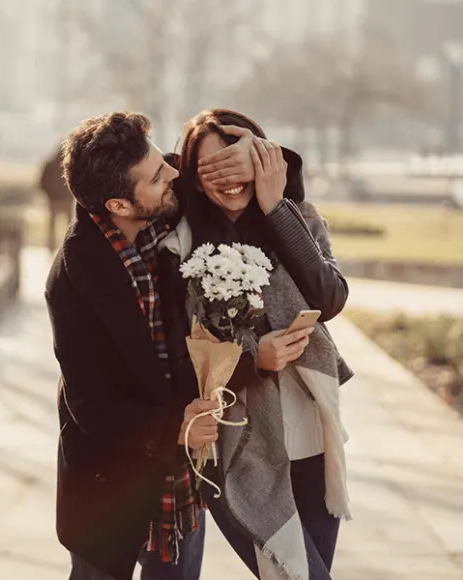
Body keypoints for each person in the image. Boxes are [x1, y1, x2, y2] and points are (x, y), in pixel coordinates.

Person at [45, 112, 251, 580]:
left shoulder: (166, 210)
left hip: (178, 488)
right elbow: (91, 407)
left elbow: (232, 173)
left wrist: (255, 151)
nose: (174, 174)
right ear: (119, 204)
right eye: (158, 175)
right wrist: (177, 428)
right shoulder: (72, 279)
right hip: (108, 487)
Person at [159, 109, 354, 580]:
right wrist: (253, 360)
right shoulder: (179, 248)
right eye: (212, 169)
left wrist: (275, 204)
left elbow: (330, 297)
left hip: (311, 439)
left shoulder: (295, 219)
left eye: (238, 163)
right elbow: (178, 359)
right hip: (240, 449)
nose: (228, 179)